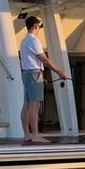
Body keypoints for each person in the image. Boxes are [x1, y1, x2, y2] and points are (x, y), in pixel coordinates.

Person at [19, 15, 68, 143]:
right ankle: (35, 135)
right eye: (40, 27)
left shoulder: (24, 40)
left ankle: (27, 134)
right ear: (35, 26)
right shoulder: (33, 40)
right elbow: (44, 60)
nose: (40, 29)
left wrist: (41, 78)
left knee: (27, 104)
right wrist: (59, 72)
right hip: (34, 74)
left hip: (29, 74)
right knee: (35, 105)